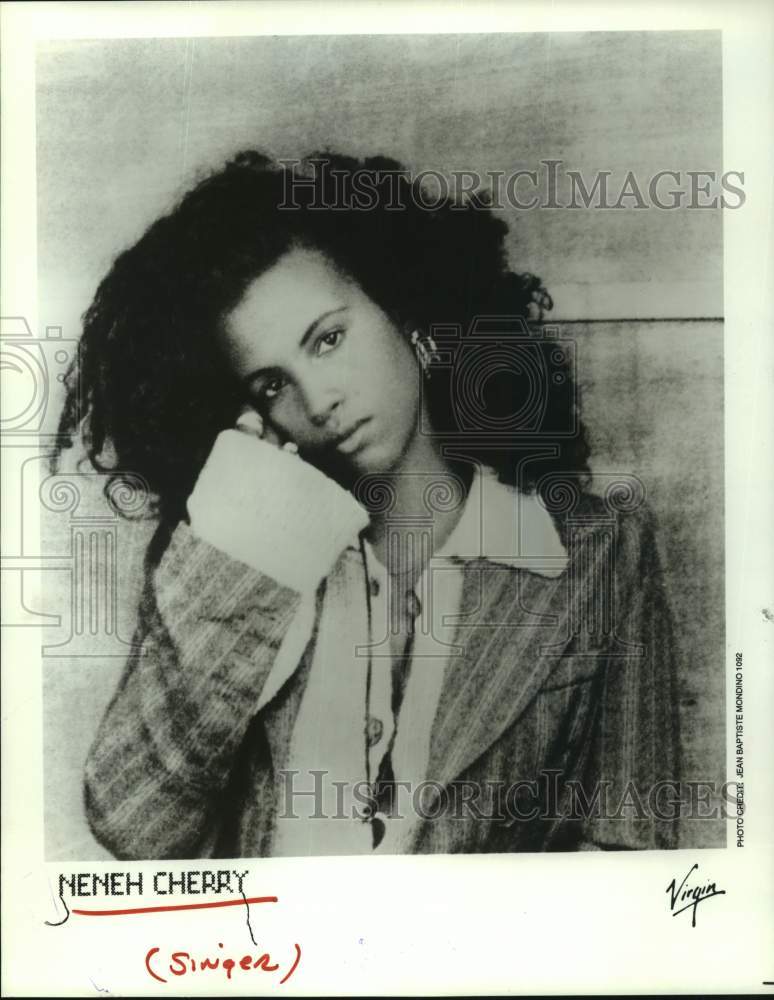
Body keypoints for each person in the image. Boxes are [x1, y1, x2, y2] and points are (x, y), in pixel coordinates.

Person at [53, 150, 681, 859]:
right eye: (270, 385)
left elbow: (636, 863)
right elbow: (136, 827)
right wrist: (251, 519)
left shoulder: (600, 552)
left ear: (406, 307)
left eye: (329, 339)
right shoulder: (237, 557)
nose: (317, 401)